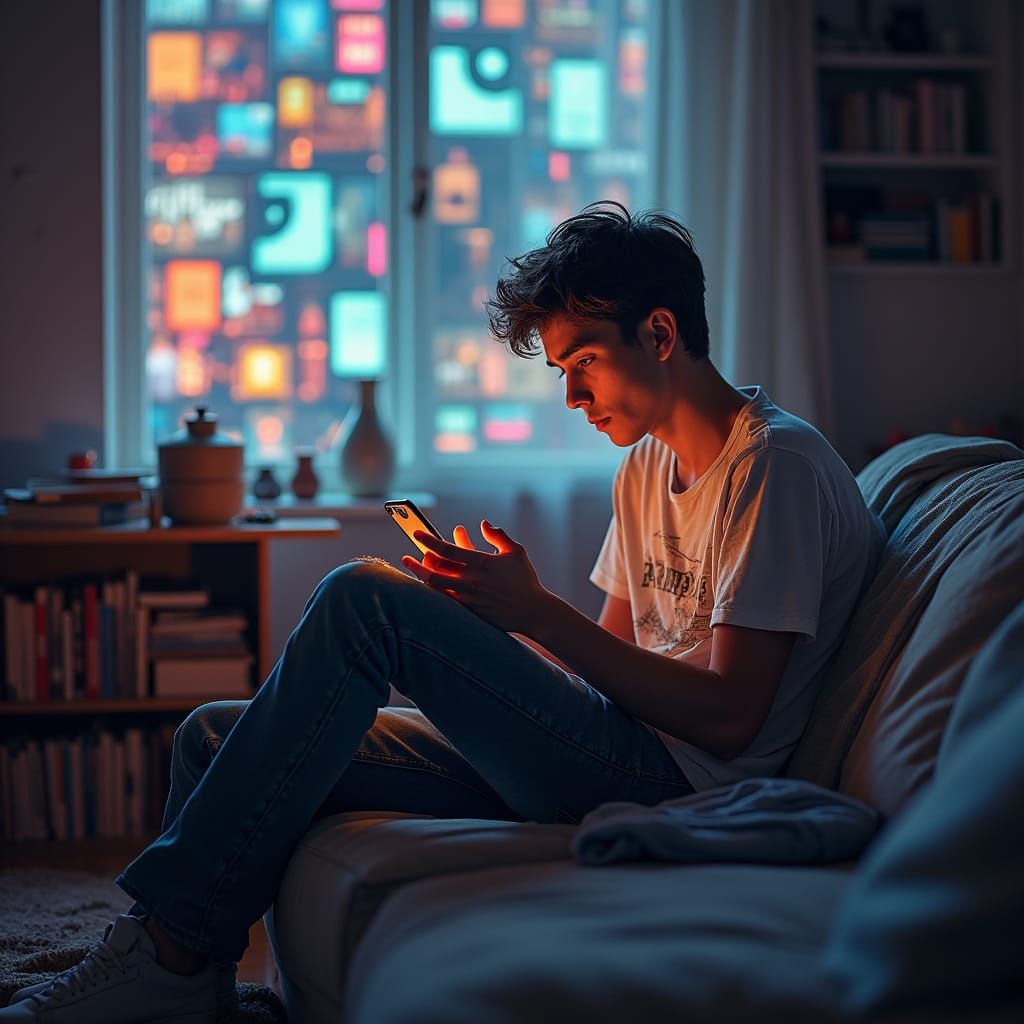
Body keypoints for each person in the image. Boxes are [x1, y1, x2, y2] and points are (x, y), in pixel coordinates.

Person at [3, 202, 882, 1023]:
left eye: (582, 362)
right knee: (212, 736)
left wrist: (535, 614)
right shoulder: (645, 466)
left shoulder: (775, 468)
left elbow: (730, 717)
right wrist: (491, 626)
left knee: (365, 597)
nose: (572, 397)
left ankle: (158, 956)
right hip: (615, 747)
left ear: (659, 333)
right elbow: (607, 669)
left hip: (682, 786)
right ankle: (188, 984)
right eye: (562, 372)